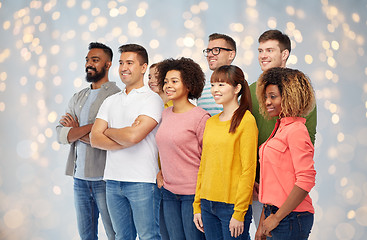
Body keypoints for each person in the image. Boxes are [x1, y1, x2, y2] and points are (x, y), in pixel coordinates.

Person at [90, 44, 163, 240]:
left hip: (143, 181)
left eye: (130, 63)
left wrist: (109, 131)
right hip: (112, 180)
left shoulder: (153, 99)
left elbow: (133, 137)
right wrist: (126, 136)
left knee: (149, 236)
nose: (124, 68)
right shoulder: (110, 101)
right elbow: (94, 138)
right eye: (121, 63)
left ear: (143, 67)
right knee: (122, 237)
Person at [249, 29, 317, 229]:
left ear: (284, 54)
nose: (263, 55)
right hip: (259, 187)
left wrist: (278, 213)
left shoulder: (299, 97)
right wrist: (253, 178)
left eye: (269, 50)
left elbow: (307, 146)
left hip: (286, 195)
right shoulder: (251, 90)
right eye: (260, 50)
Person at [56, 42, 119, 240]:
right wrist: (92, 128)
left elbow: (109, 136)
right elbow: (60, 134)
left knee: (115, 234)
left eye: (95, 60)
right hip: (79, 180)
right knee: (86, 236)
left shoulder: (116, 96)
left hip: (105, 179)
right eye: (87, 60)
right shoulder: (79, 96)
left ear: (108, 65)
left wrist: (75, 131)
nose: (89, 64)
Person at [193, 65, 258, 240]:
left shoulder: (246, 121)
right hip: (207, 204)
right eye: (213, 84)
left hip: (232, 206)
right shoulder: (211, 122)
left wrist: (239, 213)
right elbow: (203, 167)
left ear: (237, 88)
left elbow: (248, 170)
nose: (215, 90)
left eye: (221, 85)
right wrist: (197, 205)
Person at [155, 57, 209, 240]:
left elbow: (208, 161)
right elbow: (166, 149)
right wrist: (160, 171)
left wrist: (201, 200)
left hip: (192, 195)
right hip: (168, 192)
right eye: (166, 82)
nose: (168, 86)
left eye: (174, 81)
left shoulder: (201, 117)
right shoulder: (165, 114)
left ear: (188, 85)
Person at [148, 62, 171, 240]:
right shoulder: (147, 105)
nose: (151, 80)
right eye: (149, 77)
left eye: (156, 76)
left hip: (169, 175)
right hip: (150, 174)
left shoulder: (172, 107)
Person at [198, 33, 237, 116]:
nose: (210, 55)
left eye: (216, 50)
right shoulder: (201, 89)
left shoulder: (242, 88)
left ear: (231, 55)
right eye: (208, 51)